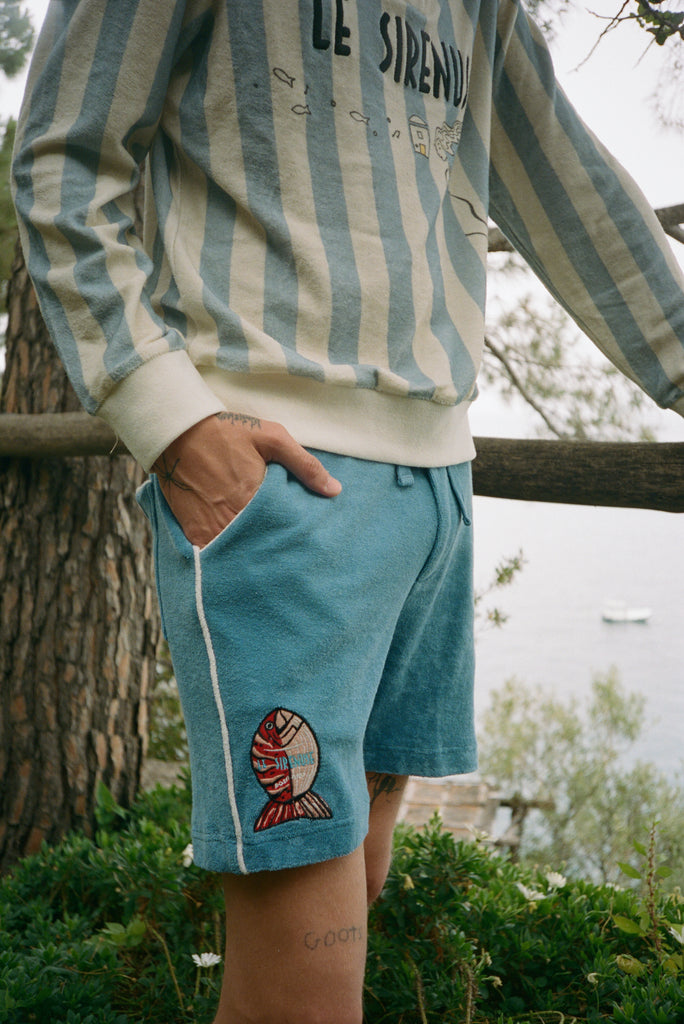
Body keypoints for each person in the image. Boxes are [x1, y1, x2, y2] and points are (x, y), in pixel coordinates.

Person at [12, 1, 684, 1021]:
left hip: (434, 488)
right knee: (304, 973)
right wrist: (173, 420)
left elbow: (570, 191)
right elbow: (64, 156)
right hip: (281, 485)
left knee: (347, 905)